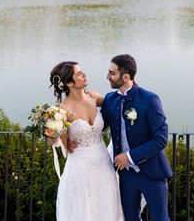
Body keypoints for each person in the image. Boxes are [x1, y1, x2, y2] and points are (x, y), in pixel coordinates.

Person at [100, 54, 172, 221]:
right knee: (130, 218)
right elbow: (96, 128)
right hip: (126, 175)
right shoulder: (110, 100)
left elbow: (161, 139)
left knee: (160, 218)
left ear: (126, 76)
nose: (107, 77)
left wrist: (130, 157)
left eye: (112, 73)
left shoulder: (149, 99)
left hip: (153, 173)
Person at [49, 61, 124, 220]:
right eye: (79, 74)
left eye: (82, 72)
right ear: (69, 83)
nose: (84, 75)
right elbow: (54, 140)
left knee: (106, 206)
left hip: (103, 165)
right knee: (82, 209)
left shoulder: (94, 97)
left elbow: (121, 103)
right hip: (80, 169)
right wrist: (56, 138)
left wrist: (132, 88)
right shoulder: (61, 110)